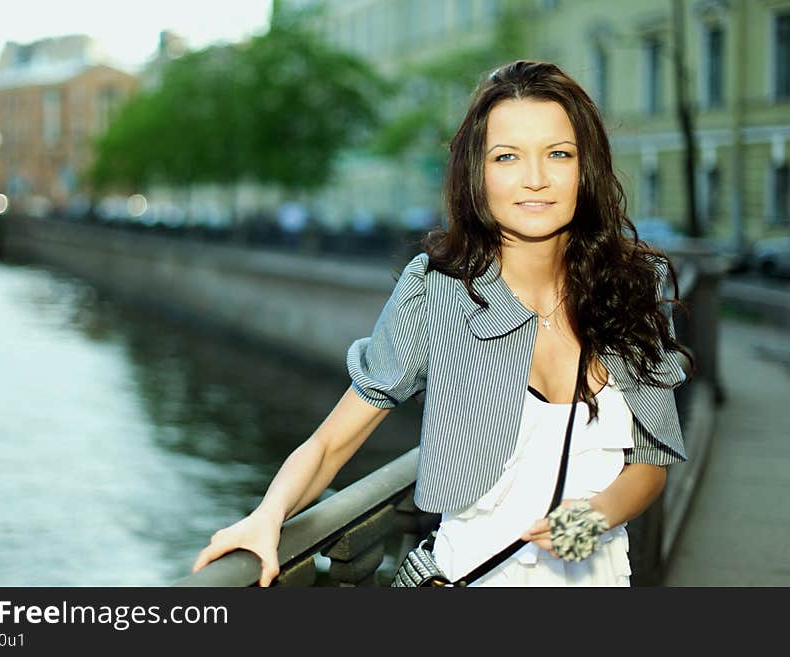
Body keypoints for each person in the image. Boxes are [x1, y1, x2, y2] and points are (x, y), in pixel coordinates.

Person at [191, 60, 691, 587]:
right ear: (478, 173)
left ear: (583, 167)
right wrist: (268, 517)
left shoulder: (633, 288)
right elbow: (331, 443)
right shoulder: (438, 292)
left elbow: (651, 462)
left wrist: (592, 517)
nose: (536, 179)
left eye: (558, 154)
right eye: (507, 157)